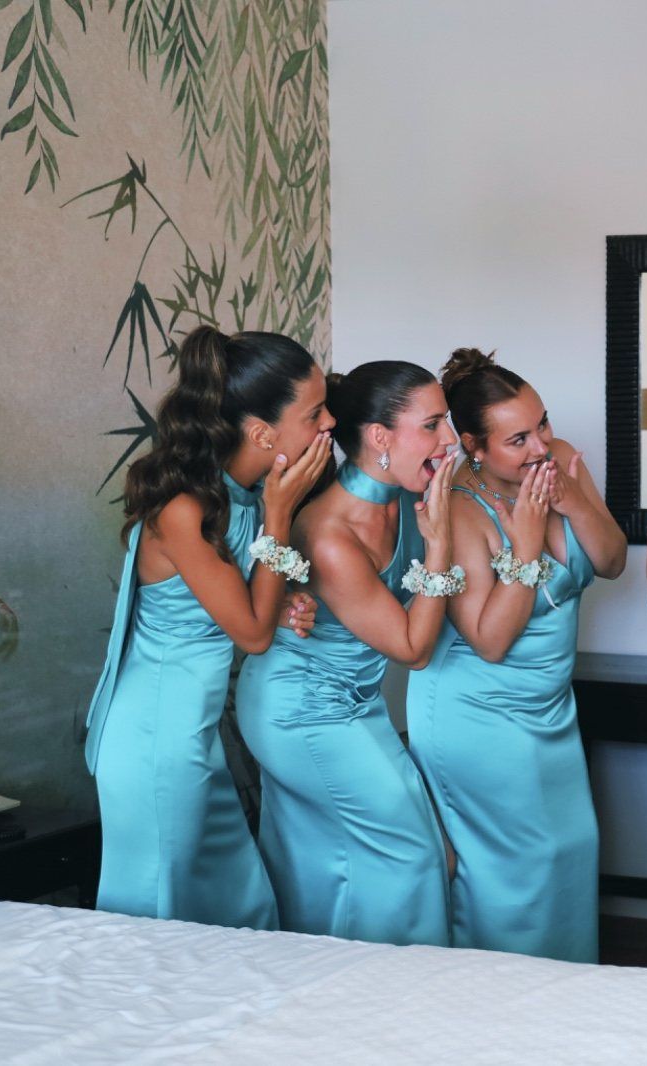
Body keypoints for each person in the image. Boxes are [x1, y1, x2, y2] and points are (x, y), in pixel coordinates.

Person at [87, 325, 332, 928]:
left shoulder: (241, 498)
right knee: (157, 918)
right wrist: (280, 516)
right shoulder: (184, 509)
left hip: (196, 736)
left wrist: (287, 600)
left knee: (237, 907)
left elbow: (248, 605)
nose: (329, 424)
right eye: (315, 413)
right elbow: (252, 634)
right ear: (262, 433)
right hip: (155, 740)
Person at [406, 348, 626, 962]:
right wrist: (526, 546)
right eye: (518, 439)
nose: (540, 446)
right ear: (473, 447)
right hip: (479, 714)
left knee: (568, 854)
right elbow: (489, 640)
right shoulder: (458, 508)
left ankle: (560, 1008)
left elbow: (611, 561)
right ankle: (490, 1006)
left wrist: (573, 501)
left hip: (550, 710)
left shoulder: (560, 462)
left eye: (543, 423)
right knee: (513, 876)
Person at [236, 360, 460, 946]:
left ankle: (333, 983)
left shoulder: (407, 500)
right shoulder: (331, 534)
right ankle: (400, 988)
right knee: (415, 853)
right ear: (380, 437)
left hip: (357, 704)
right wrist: (439, 547)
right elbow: (413, 648)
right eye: (432, 425)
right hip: (299, 709)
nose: (449, 439)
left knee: (351, 859)